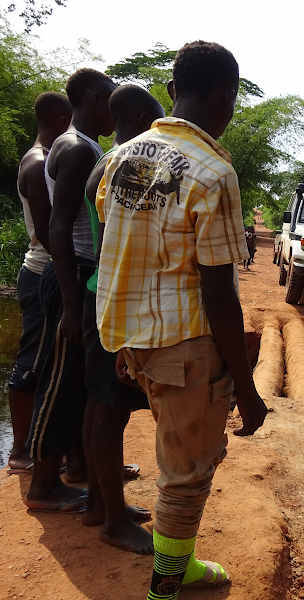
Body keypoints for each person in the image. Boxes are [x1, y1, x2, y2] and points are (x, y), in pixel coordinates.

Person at [95, 41, 268, 599]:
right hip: (187, 345)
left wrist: (125, 344)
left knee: (177, 460)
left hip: (133, 340)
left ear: (173, 91)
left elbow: (120, 249)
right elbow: (219, 292)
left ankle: (180, 566)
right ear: (226, 98)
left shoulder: (119, 157)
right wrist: (246, 386)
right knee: (186, 475)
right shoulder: (214, 172)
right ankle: (166, 587)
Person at [80, 84, 166, 554]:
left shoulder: (105, 166)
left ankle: (102, 503)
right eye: (153, 119)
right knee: (107, 410)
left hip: (105, 299)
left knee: (102, 408)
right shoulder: (120, 168)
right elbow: (126, 253)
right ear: (134, 116)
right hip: (111, 304)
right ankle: (113, 519)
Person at [26, 69, 116, 513]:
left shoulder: (84, 145)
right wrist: (70, 301)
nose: (113, 112)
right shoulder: (78, 148)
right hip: (71, 278)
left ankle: (75, 470)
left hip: (78, 277)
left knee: (75, 383)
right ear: (92, 99)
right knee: (57, 384)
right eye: (109, 101)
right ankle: (42, 482)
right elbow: (57, 228)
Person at [7, 92, 71, 474]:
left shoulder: (47, 160)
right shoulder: (38, 162)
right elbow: (51, 232)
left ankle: (53, 449)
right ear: (61, 116)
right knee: (31, 363)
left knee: (51, 364)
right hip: (42, 272)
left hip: (48, 271)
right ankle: (19, 450)